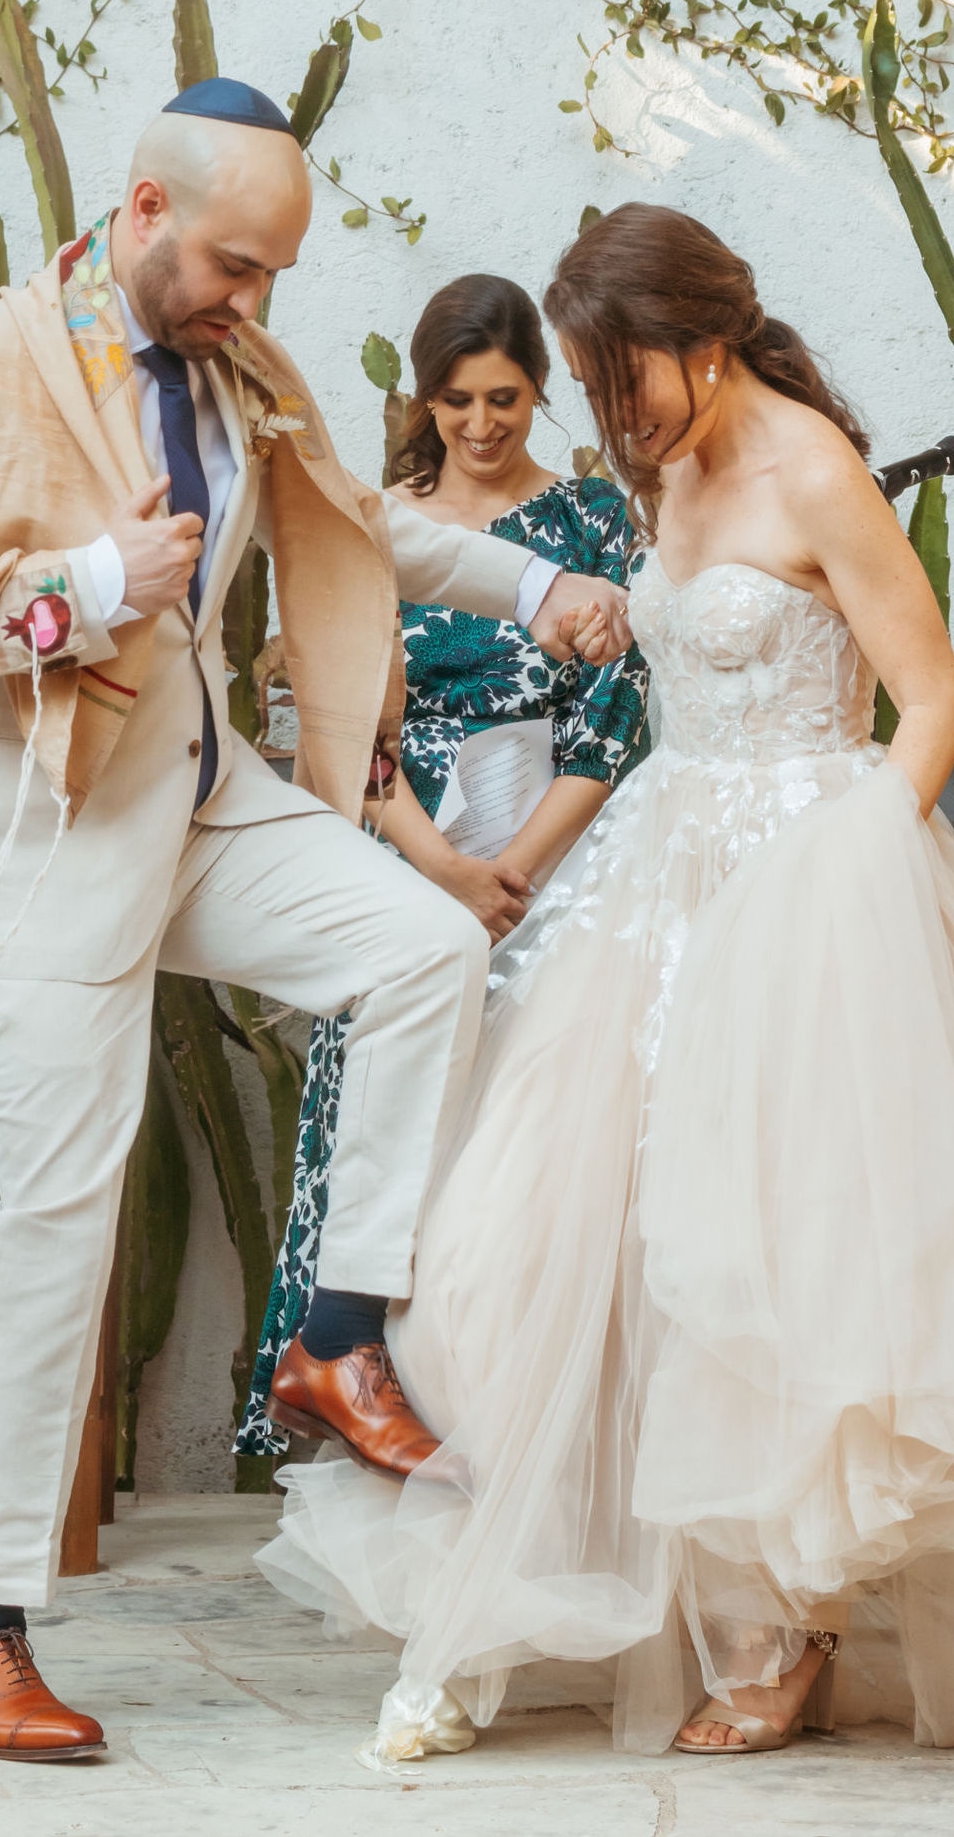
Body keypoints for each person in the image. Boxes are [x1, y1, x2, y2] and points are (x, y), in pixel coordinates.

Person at [257, 203, 954, 1761]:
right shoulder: (654, 475)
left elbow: (925, 706)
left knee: (777, 1252)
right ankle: (585, 1578)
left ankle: (781, 1618)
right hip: (657, 877)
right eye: (591, 388)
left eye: (624, 377)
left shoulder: (814, 468)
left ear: (704, 337)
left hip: (812, 876)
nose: (613, 416)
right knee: (532, 1224)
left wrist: (842, 873)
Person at [0, 80, 627, 1759]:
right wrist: (88, 590)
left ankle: (335, 1341)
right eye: (229, 266)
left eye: (270, 274)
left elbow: (361, 520)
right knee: (55, 1229)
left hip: (195, 802)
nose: (252, 304)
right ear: (139, 211)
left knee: (425, 947)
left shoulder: (238, 367)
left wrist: (534, 583)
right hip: (43, 846)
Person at [237, 273, 650, 1457]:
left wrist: (513, 872)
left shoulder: (591, 527)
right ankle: (354, 1399)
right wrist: (437, 866)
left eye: (507, 397)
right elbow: (340, 697)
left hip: (556, 861)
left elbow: (611, 720)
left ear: (536, 394)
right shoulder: (372, 518)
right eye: (458, 399)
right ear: (424, 399)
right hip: (398, 851)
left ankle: (518, 1428)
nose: (482, 423)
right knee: (385, 1122)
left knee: (532, 1134)